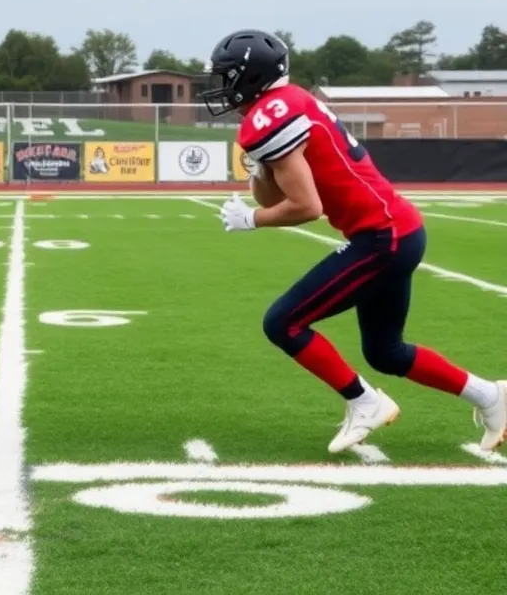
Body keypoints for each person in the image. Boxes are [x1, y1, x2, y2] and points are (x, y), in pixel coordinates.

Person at [204, 28, 506, 455]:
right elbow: (276, 190)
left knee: (283, 322)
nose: (222, 86)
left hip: (382, 237)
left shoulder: (271, 115)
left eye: (228, 75)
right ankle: (492, 398)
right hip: (398, 229)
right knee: (386, 352)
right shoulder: (290, 103)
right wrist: (259, 171)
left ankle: (364, 402)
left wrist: (252, 219)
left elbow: (305, 206)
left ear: (251, 75)